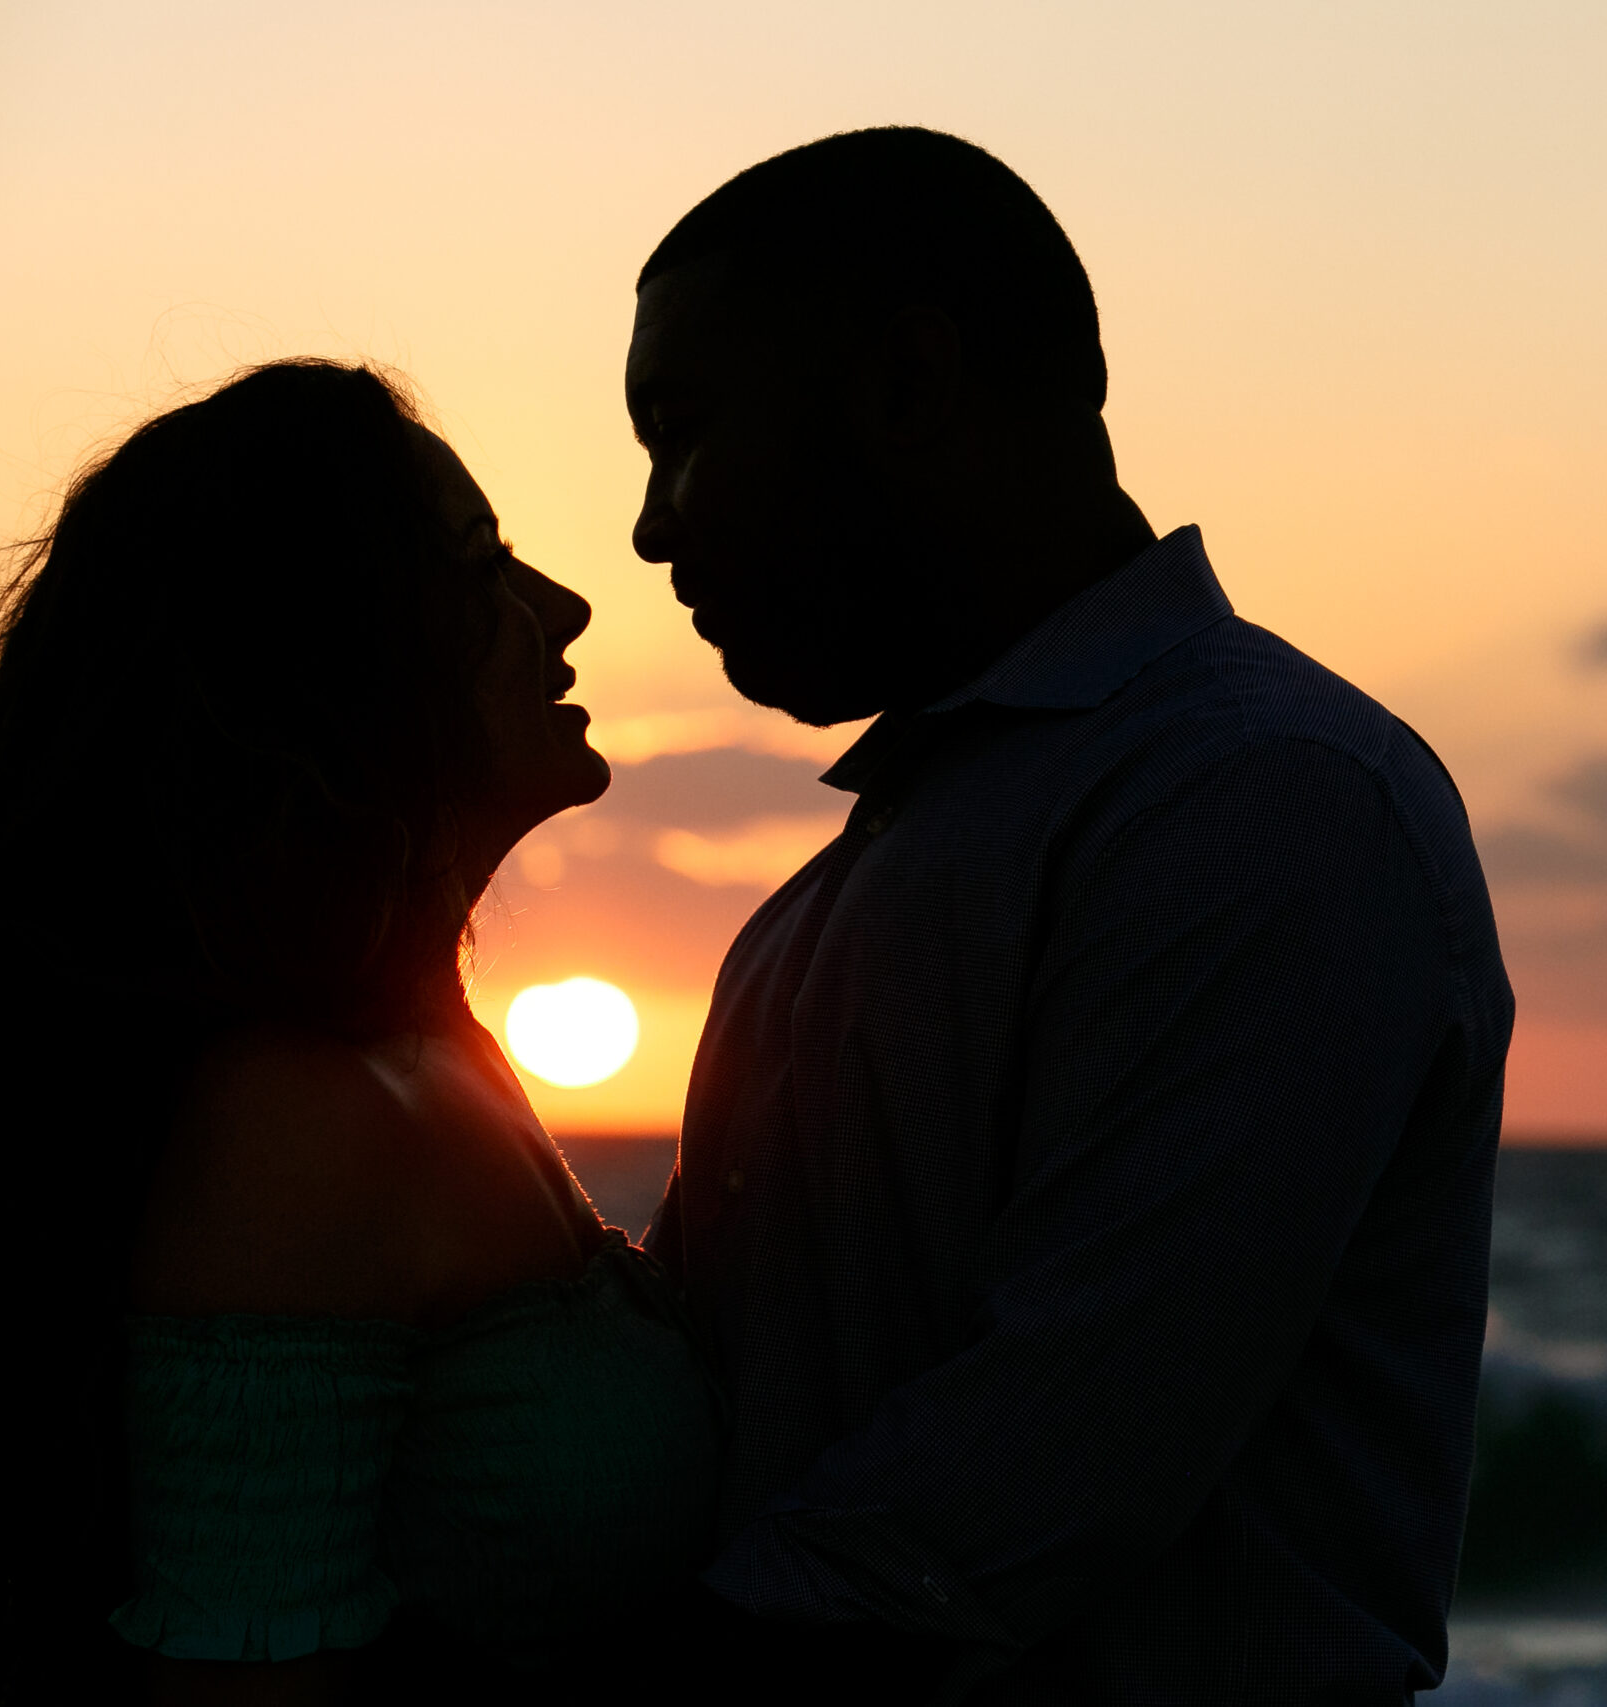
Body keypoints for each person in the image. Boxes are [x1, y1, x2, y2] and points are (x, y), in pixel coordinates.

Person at [631, 127, 1515, 1702]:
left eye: (683, 435)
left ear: (909, 389)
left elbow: (1040, 1466)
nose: (650, 527)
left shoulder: (1266, 799)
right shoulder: (849, 882)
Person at [0, 361, 722, 1704]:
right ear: (323, 656)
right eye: (475, 573)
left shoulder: (432, 1061)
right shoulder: (299, 1120)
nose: (559, 611)